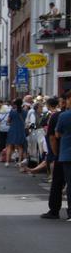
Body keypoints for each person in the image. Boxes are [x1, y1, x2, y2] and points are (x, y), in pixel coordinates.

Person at [41, 90, 71, 220]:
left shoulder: (58, 117)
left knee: (58, 183)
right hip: (63, 153)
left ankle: (54, 210)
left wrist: (55, 153)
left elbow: (53, 137)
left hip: (62, 153)